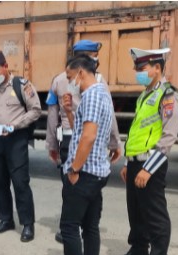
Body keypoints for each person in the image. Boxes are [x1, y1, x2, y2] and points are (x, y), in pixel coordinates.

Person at [42, 55, 114, 255]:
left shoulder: (93, 95)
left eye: (71, 78)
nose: (70, 83)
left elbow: (88, 137)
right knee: (90, 227)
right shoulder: (102, 93)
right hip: (97, 172)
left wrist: (74, 169)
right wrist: (70, 111)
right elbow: (82, 129)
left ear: (81, 73)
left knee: (70, 227)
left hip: (84, 174)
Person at [111, 47, 178, 255]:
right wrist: (128, 162)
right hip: (135, 163)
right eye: (137, 69)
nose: (138, 73)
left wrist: (147, 169)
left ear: (157, 68)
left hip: (151, 164)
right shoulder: (145, 95)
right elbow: (138, 131)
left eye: (141, 69)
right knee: (136, 211)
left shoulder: (169, 95)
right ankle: (139, 250)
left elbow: (167, 138)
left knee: (155, 216)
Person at [45, 39, 123, 243]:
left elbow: (52, 115)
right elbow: (109, 115)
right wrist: (115, 142)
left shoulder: (58, 79)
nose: (95, 60)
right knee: (81, 186)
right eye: (92, 56)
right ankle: (73, 228)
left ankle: (68, 226)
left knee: (70, 188)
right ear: (84, 59)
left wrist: (51, 144)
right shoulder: (98, 81)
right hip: (87, 140)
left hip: (69, 137)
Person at [0, 50, 41, 242]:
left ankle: (27, 223)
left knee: (20, 182)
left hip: (15, 138)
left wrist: (15, 125)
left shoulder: (21, 85)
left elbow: (35, 110)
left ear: (5, 66)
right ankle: (5, 219)